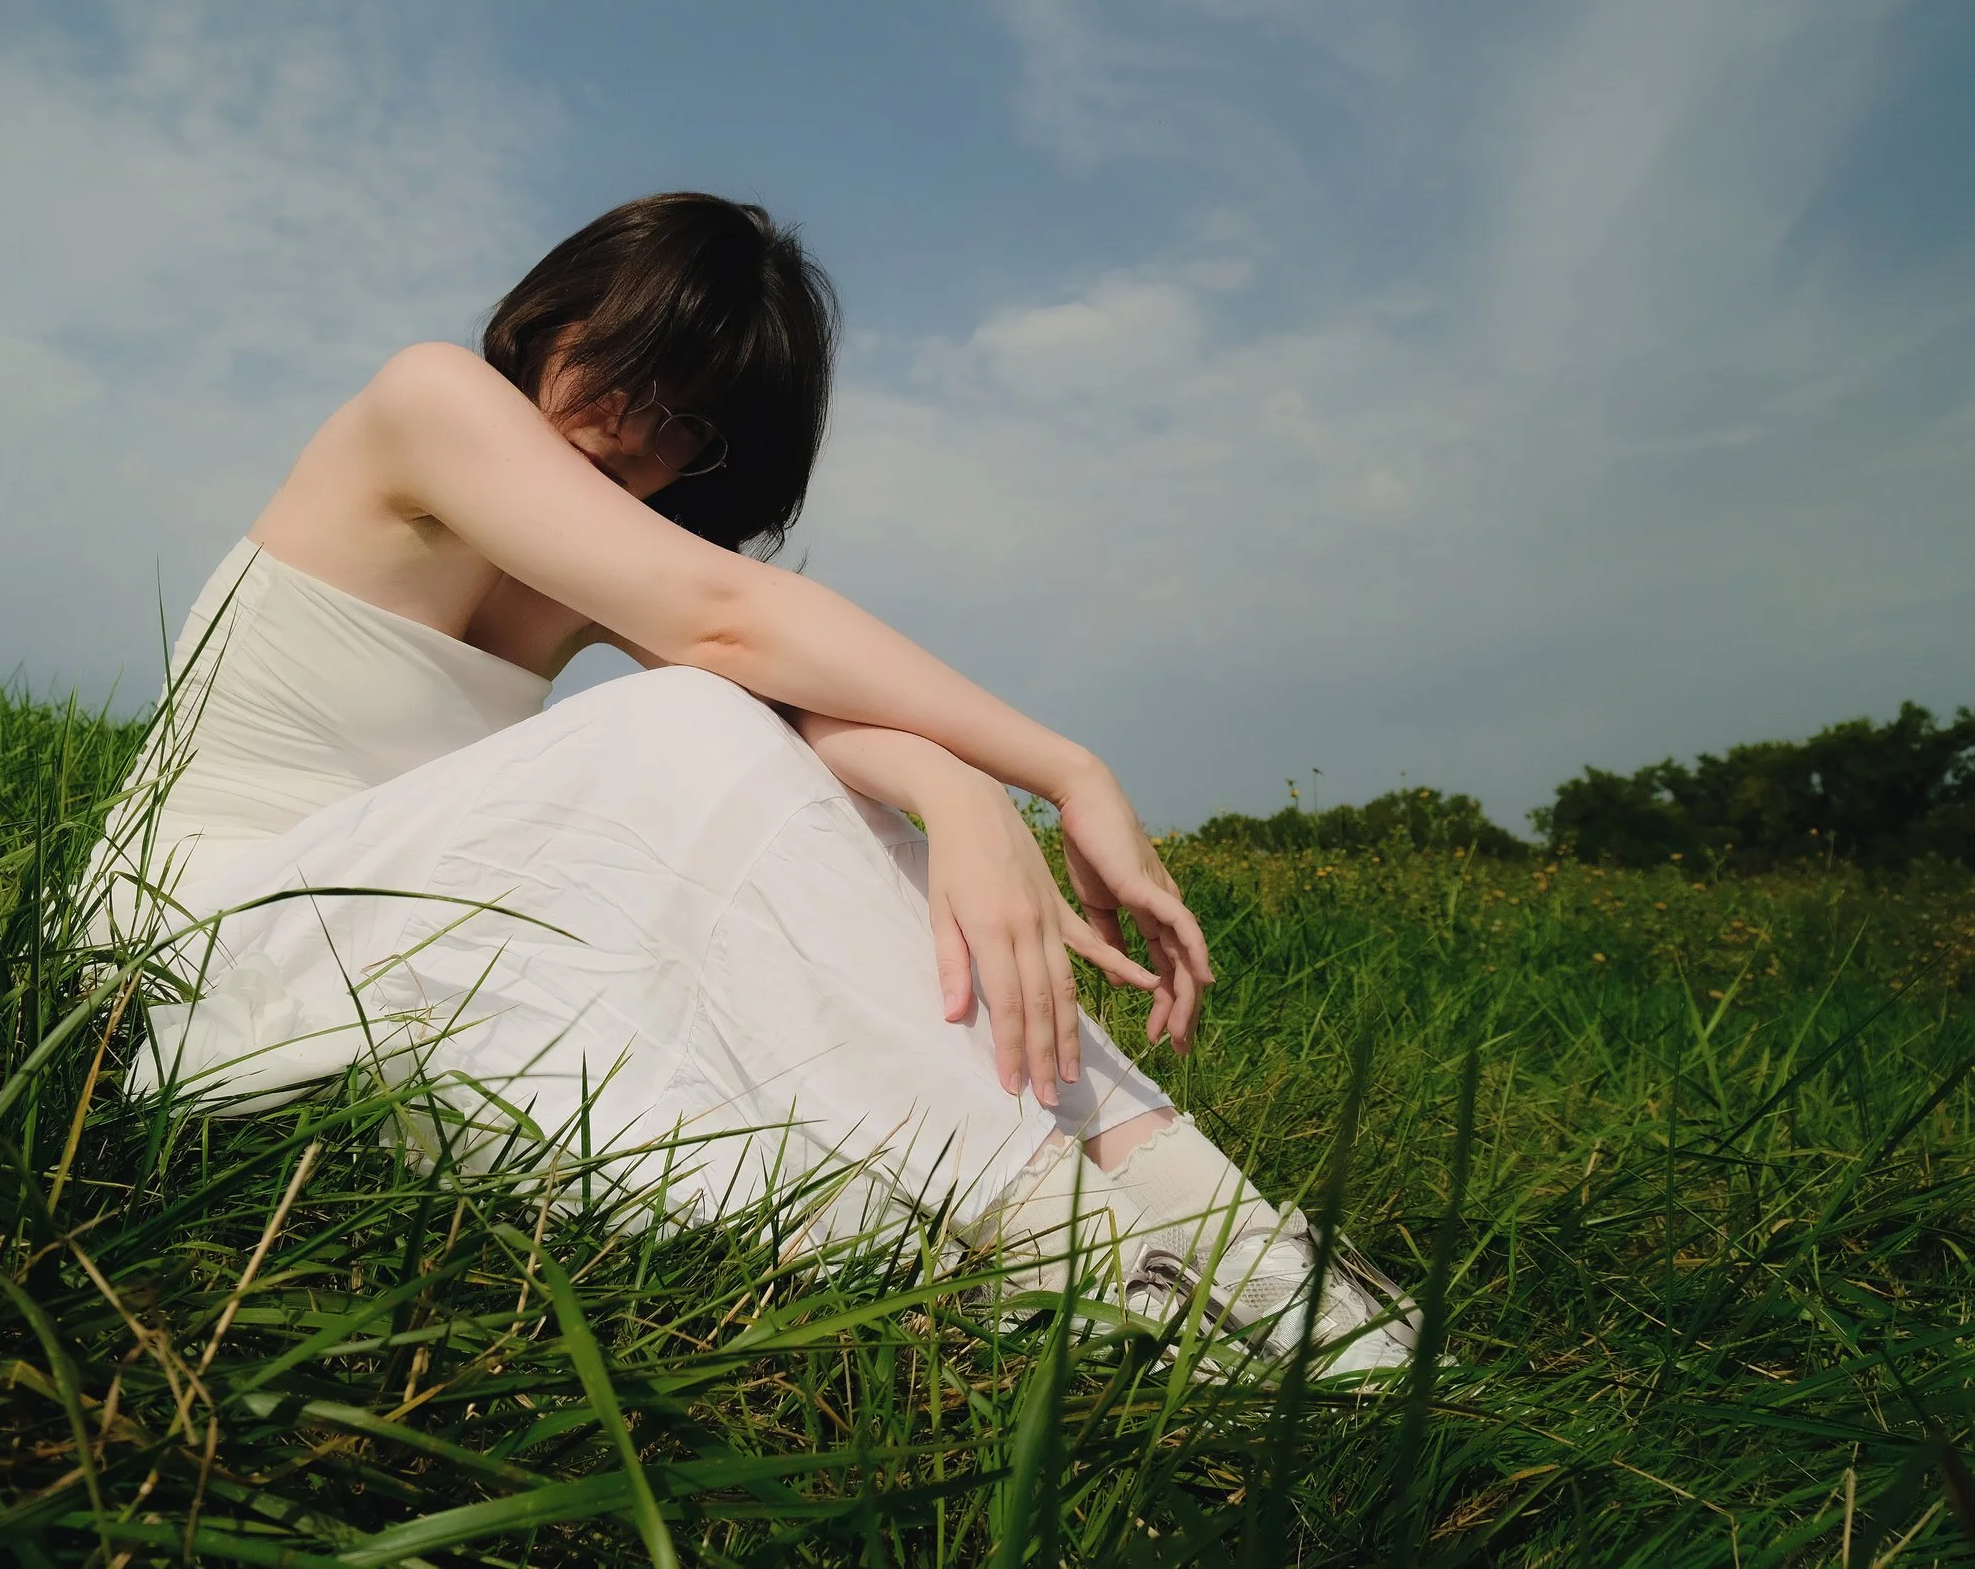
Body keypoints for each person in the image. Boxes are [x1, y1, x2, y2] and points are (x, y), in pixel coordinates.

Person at [81, 192, 1417, 1379]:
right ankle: (1083, 1250)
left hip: (391, 942)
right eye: (627, 364)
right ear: (550, 315)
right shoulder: (427, 401)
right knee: (679, 721)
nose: (635, 429)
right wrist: (1064, 768)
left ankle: (1250, 1258)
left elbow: (785, 708)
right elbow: (726, 630)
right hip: (196, 938)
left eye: (688, 425)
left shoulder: (593, 555)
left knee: (774, 1107)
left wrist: (957, 796)